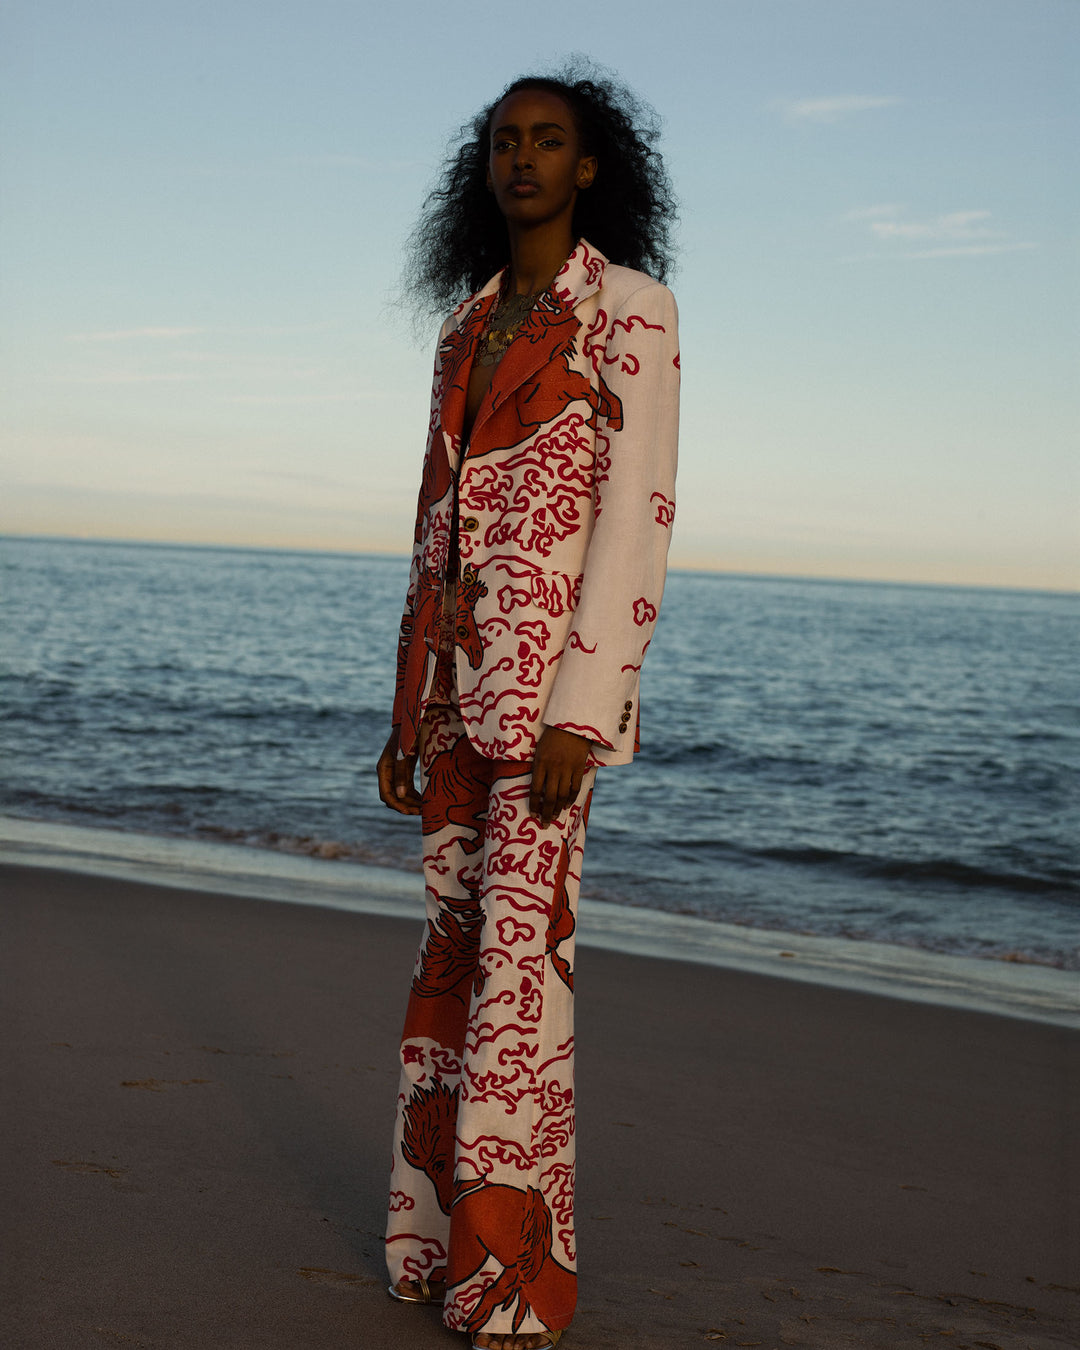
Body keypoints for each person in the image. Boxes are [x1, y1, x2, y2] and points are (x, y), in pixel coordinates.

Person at [377, 67, 679, 1350]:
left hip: (550, 700)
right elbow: (435, 529)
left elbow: (639, 510)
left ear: (592, 164)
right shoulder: (466, 323)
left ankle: (515, 1285)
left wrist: (587, 704)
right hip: (452, 699)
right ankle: (429, 1248)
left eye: (549, 140)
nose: (524, 159)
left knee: (520, 984)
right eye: (505, 141)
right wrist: (405, 707)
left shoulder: (633, 311)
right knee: (452, 966)